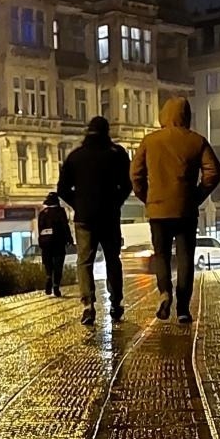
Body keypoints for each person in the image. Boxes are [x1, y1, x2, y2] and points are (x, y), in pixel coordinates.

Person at [130, 96, 220, 324]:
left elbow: (135, 174)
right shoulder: (197, 141)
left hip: (158, 211)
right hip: (185, 210)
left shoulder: (149, 141)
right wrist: (196, 196)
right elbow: (213, 172)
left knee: (161, 255)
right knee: (185, 258)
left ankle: (164, 293)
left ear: (164, 115)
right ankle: (183, 309)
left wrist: (148, 198)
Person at [57, 116, 132, 326]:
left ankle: (88, 305)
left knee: (84, 260)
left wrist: (78, 204)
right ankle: (116, 303)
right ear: (107, 131)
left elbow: (62, 189)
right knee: (112, 259)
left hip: (85, 218)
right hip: (109, 215)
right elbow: (128, 183)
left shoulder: (75, 157)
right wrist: (116, 201)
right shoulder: (116, 154)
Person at [37, 192, 73, 297]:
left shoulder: (42, 213)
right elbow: (65, 226)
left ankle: (48, 276)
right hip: (58, 242)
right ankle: (56, 286)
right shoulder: (60, 212)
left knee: (48, 263)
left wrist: (41, 242)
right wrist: (69, 239)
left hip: (46, 243)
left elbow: (40, 229)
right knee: (58, 265)